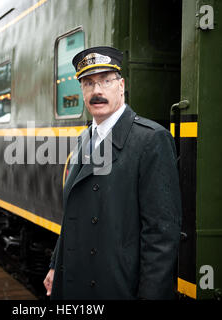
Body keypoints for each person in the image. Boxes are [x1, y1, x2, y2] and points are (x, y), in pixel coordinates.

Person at [43, 46, 182, 300]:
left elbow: (161, 235)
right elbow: (73, 215)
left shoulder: (151, 140)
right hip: (76, 281)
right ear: (82, 91)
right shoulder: (84, 138)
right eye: (88, 83)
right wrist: (55, 264)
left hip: (117, 287)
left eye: (105, 81)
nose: (97, 91)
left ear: (121, 85)